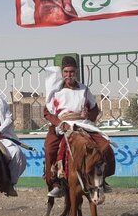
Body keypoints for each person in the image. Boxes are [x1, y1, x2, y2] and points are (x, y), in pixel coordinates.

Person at [43, 55, 115, 198]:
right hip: (62, 124)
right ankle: (56, 182)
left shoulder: (84, 90)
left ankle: (102, 179)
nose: (69, 75)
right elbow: (47, 112)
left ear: (76, 72)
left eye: (71, 72)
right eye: (66, 72)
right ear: (62, 73)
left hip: (82, 124)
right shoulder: (55, 91)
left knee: (105, 146)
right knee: (50, 148)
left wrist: (88, 114)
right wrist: (59, 123)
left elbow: (95, 110)